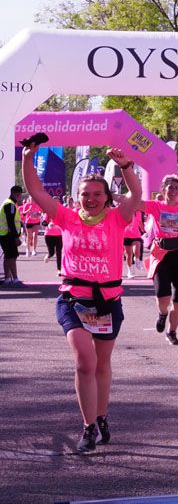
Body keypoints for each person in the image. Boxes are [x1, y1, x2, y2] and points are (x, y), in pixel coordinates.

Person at [22, 140, 142, 454]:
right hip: (73, 299)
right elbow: (36, 192)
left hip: (107, 301)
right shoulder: (66, 218)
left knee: (102, 364)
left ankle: (102, 417)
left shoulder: (118, 218)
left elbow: (136, 195)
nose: (90, 199)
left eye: (97, 194)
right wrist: (27, 157)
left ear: (107, 197)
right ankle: (88, 427)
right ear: (77, 196)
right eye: (85, 194)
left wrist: (126, 166)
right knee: (84, 363)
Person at [138, 175, 178, 345]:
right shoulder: (155, 206)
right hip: (162, 254)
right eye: (170, 187)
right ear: (163, 189)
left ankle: (172, 331)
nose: (173, 190)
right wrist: (112, 194)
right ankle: (162, 314)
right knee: (162, 295)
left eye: (176, 187)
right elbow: (132, 202)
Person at [0, 184, 20, 285]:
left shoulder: (8, 203)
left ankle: (7, 279)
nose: (19, 197)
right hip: (8, 235)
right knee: (12, 256)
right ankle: (15, 279)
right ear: (14, 194)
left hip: (5, 234)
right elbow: (11, 221)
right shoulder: (10, 204)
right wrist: (16, 237)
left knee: (8, 256)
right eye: (19, 195)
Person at [121, 206, 143, 278]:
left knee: (137, 250)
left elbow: (139, 222)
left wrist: (143, 230)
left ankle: (137, 259)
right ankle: (130, 271)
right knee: (128, 255)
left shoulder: (138, 212)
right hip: (125, 235)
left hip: (135, 234)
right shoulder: (123, 211)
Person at [21, 193, 43, 257]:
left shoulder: (37, 205)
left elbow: (40, 212)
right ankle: (27, 250)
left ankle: (34, 250)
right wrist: (28, 210)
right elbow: (23, 213)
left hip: (36, 221)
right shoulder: (26, 205)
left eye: (34, 198)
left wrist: (38, 214)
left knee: (35, 235)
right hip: (29, 222)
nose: (33, 199)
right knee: (29, 236)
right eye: (31, 198)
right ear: (29, 198)